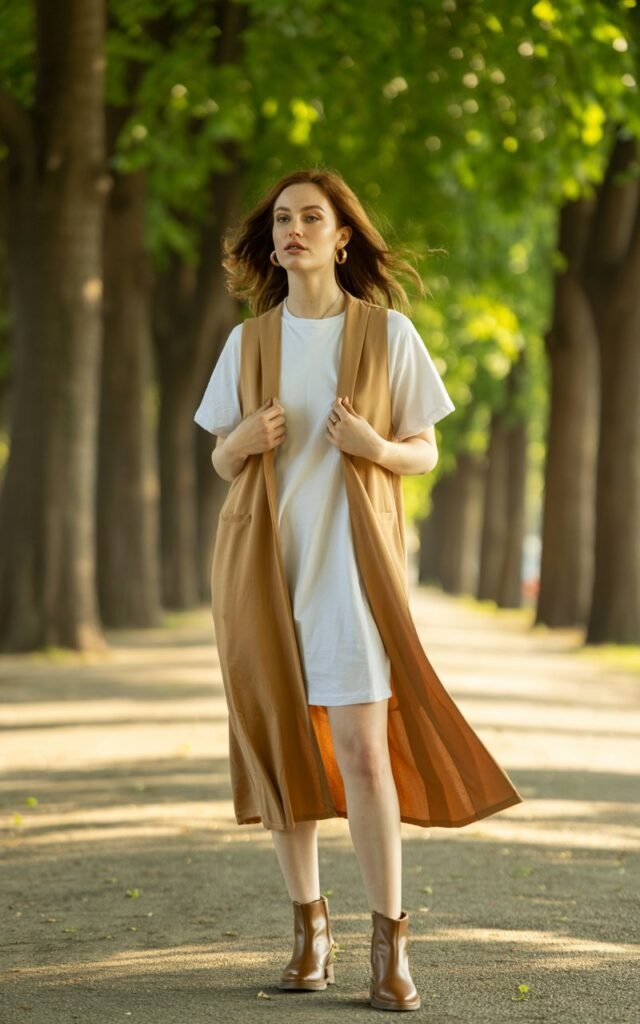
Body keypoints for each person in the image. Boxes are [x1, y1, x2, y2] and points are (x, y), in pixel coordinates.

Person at [194, 168, 521, 1011]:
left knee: (365, 758)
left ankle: (390, 945)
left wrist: (376, 444)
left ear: (343, 237)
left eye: (312, 218)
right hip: (263, 572)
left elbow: (426, 450)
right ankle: (309, 935)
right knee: (282, 758)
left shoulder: (389, 335)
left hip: (349, 576)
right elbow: (218, 457)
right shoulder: (247, 343)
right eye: (282, 220)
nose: (294, 230)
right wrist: (246, 439)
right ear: (272, 241)